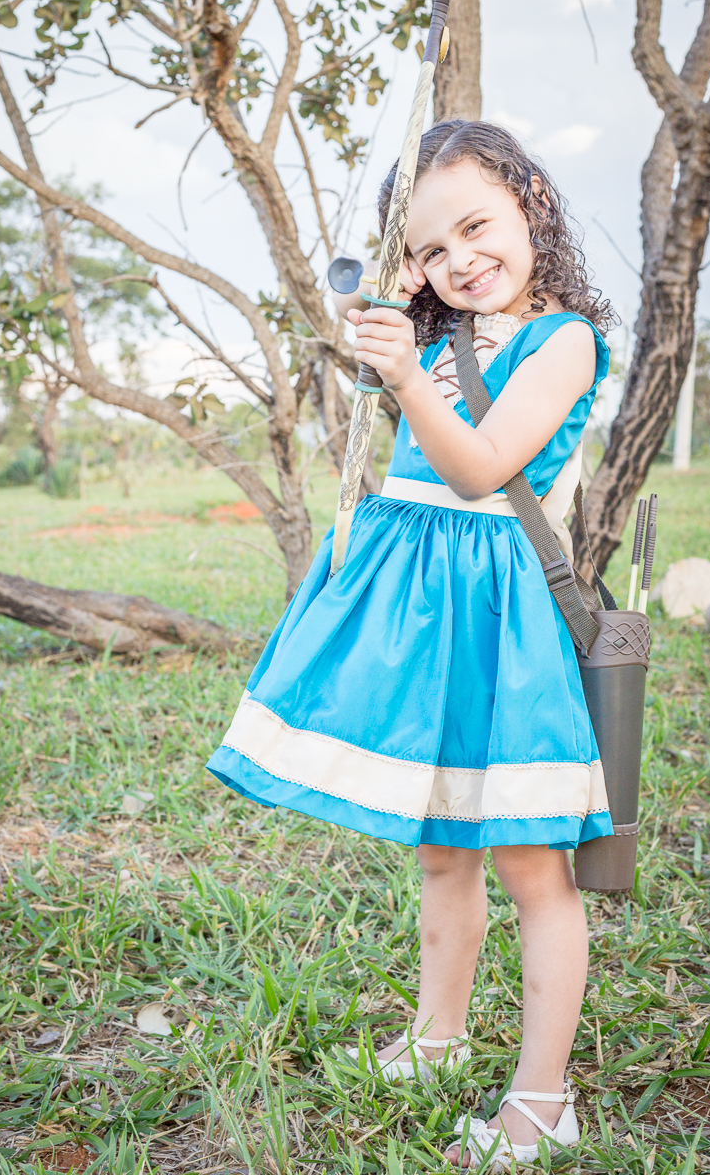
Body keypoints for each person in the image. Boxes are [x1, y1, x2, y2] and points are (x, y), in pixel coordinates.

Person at [207, 119, 617, 1170]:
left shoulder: (560, 337)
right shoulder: (431, 338)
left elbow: (479, 468)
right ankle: (436, 1041)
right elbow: (401, 455)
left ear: (529, 198)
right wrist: (392, 347)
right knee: (440, 847)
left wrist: (405, 379)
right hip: (421, 619)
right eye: (431, 249)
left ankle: (540, 1099)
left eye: (476, 226)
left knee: (531, 866)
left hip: (498, 623)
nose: (459, 261)